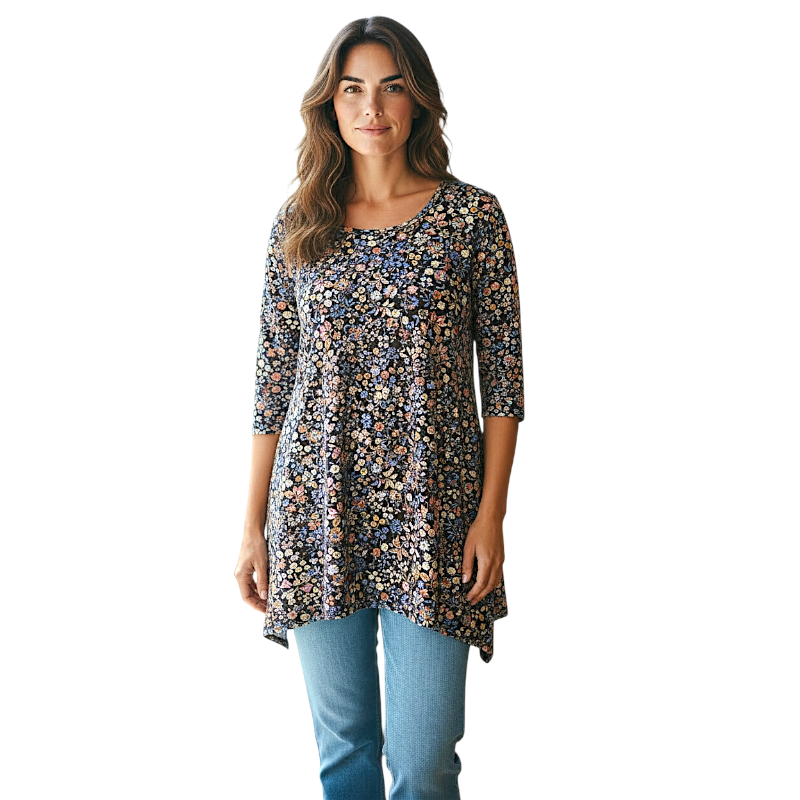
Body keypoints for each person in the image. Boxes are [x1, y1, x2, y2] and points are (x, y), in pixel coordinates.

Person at [234, 15, 525, 800]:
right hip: (316, 509)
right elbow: (272, 383)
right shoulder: (300, 224)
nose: (372, 107)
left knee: (424, 762)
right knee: (345, 755)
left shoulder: (472, 219)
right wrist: (252, 524)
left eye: (391, 87)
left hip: (437, 512)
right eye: (353, 89)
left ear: (418, 99)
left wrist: (491, 516)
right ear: (329, 103)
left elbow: (503, 384)